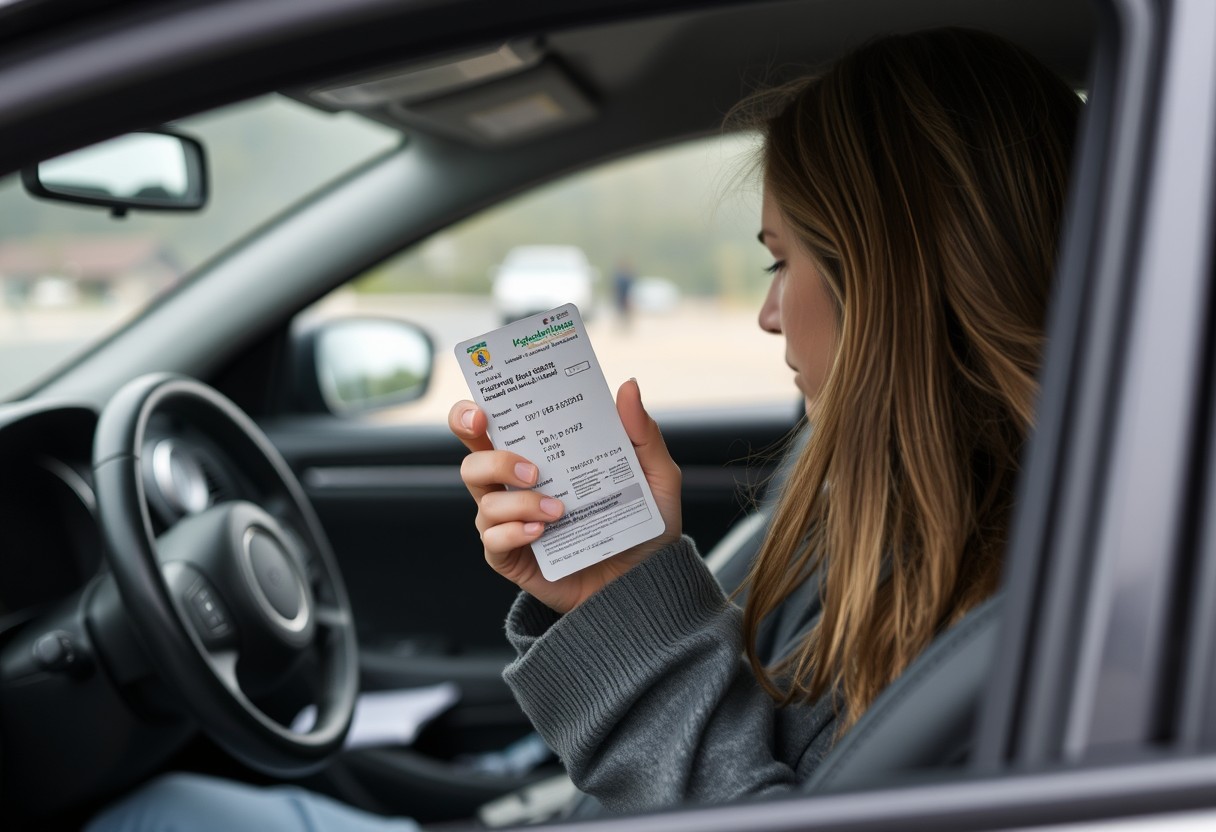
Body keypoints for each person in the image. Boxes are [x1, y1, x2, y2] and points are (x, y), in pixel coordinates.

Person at [87, 26, 1079, 831]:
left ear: (888, 282)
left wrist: (627, 600)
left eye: (779, 261)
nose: (767, 313)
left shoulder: (1025, 624)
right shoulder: (869, 498)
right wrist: (608, 589)